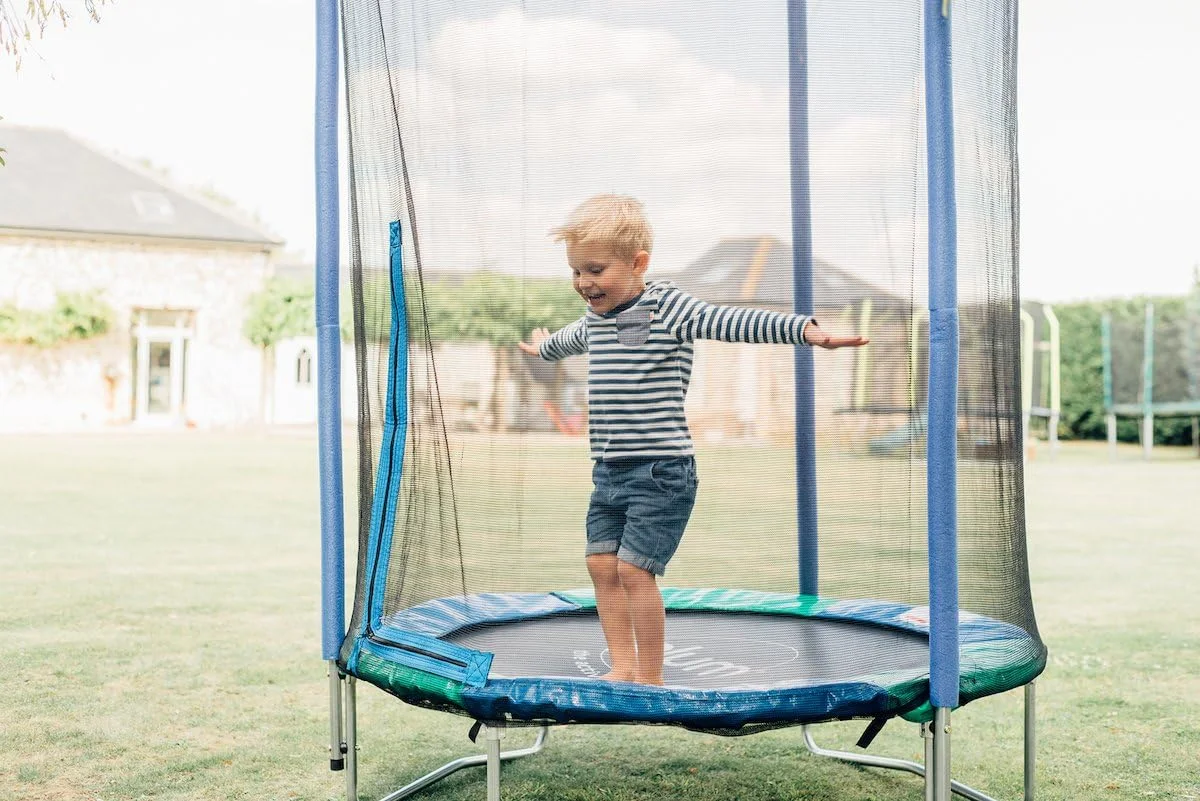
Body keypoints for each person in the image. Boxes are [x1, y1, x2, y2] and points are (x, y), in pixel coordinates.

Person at [519, 194, 868, 686]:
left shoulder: (669, 307)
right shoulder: (597, 320)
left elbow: (734, 320)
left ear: (638, 263)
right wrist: (540, 346)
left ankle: (650, 676)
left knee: (635, 571)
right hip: (609, 470)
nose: (583, 283)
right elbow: (568, 340)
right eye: (576, 271)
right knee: (601, 565)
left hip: (661, 471)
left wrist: (804, 331)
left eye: (595, 270)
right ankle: (621, 666)